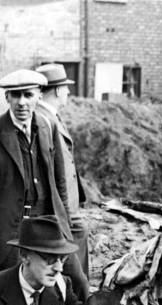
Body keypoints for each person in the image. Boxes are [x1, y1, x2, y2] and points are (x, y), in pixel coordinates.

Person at [0, 69, 88, 300]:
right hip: (12, 229)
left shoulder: (47, 126)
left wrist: (64, 222)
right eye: (15, 95)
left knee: (77, 283)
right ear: (6, 97)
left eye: (28, 95)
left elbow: (59, 182)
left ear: (39, 95)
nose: (21, 102)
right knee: (12, 293)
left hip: (48, 222)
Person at [35, 63, 90, 287]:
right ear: (57, 90)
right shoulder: (44, 120)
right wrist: (66, 213)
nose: (68, 92)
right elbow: (56, 171)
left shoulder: (49, 116)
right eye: (66, 88)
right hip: (61, 209)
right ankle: (78, 296)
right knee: (72, 265)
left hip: (68, 206)